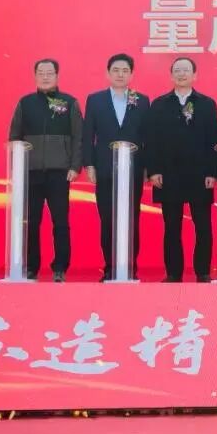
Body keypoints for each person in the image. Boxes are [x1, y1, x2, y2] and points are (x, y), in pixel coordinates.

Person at [141, 57, 217, 282]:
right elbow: (151, 140)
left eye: (186, 70)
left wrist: (212, 172)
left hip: (199, 174)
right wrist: (153, 170)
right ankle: (174, 273)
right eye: (177, 70)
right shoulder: (159, 104)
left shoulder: (207, 104)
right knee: (172, 227)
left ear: (195, 75)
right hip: (168, 174)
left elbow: (214, 140)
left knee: (203, 226)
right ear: (171, 75)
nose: (182, 74)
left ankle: (202, 272)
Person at [7, 58, 82, 282]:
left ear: (57, 76)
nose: (45, 77)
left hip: (60, 172)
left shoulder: (69, 102)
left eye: (50, 73)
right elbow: (14, 137)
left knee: (60, 222)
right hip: (31, 172)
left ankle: (60, 267)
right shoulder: (25, 103)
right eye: (41, 73)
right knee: (30, 222)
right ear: (35, 76)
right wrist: (17, 169)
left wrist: (75, 166)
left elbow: (78, 137)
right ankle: (31, 267)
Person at [81, 53, 150, 281]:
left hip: (133, 169)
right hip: (104, 168)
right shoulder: (95, 100)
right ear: (108, 73)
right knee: (108, 219)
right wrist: (89, 164)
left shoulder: (142, 100)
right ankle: (110, 267)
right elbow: (88, 135)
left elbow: (147, 137)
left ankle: (130, 266)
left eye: (125, 71)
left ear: (131, 74)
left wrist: (147, 167)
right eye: (116, 70)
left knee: (132, 218)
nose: (120, 74)